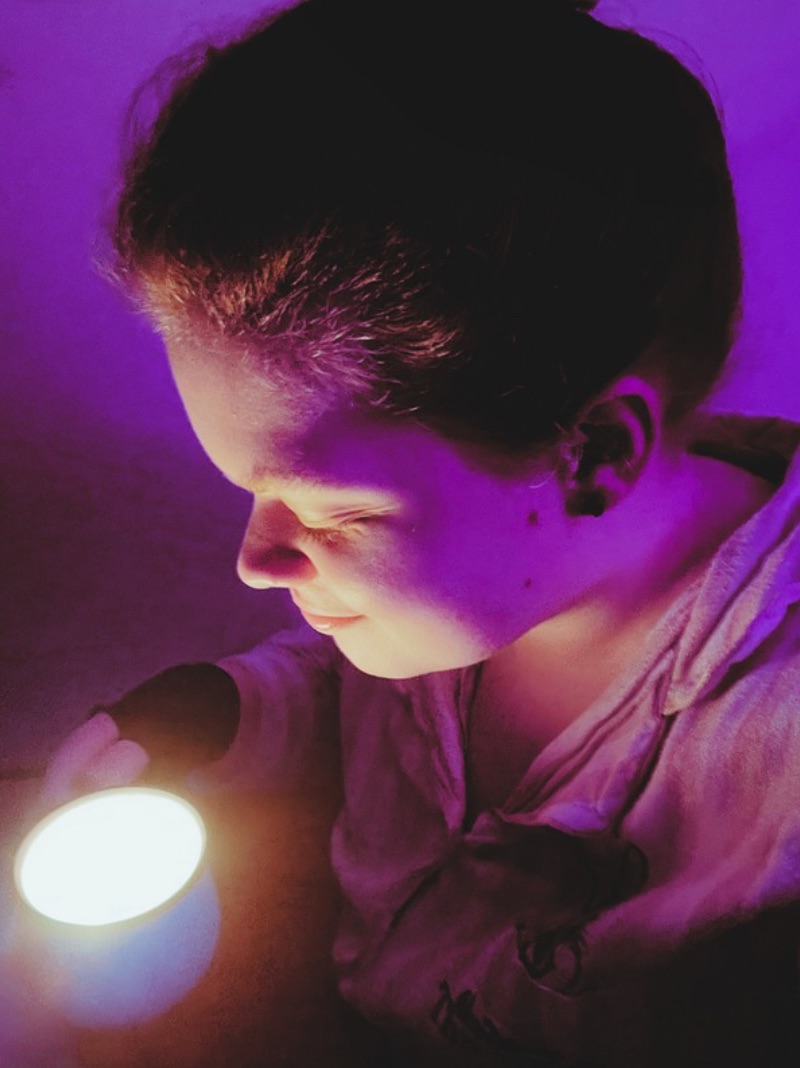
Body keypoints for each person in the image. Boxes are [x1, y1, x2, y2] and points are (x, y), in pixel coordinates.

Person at [41, 0, 800, 1064]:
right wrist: (228, 711)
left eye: (333, 512)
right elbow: (358, 696)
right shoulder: (452, 596)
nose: (254, 563)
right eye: (250, 494)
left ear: (590, 453)